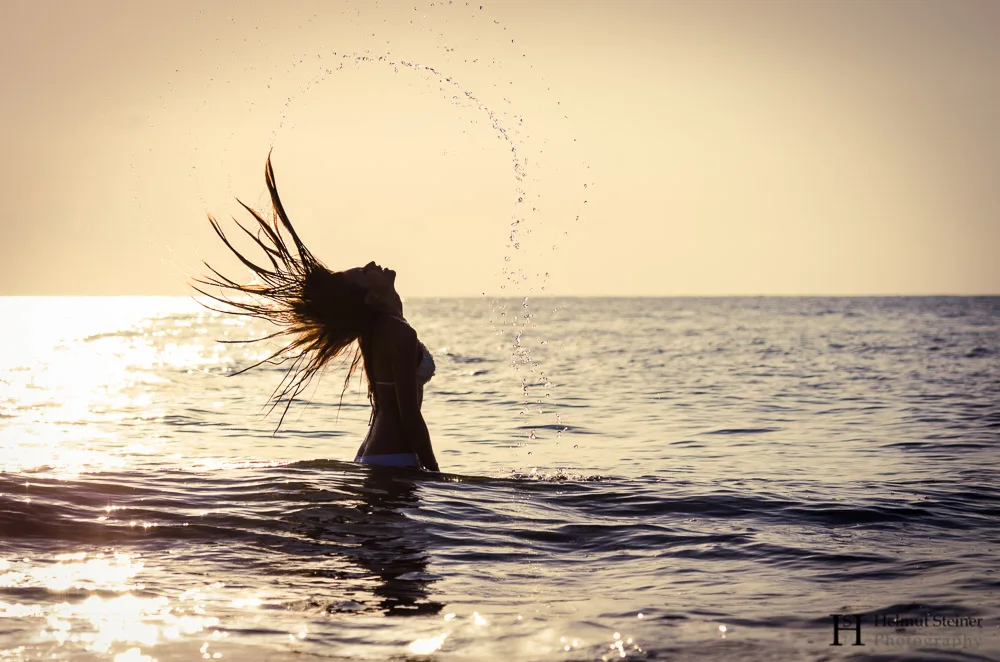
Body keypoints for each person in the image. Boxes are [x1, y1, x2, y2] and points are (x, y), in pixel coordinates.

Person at [194, 155, 440, 472]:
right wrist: (436, 475)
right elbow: (408, 414)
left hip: (378, 454)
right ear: (370, 296)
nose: (372, 264)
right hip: (394, 457)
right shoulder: (397, 332)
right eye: (365, 272)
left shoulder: (381, 328)